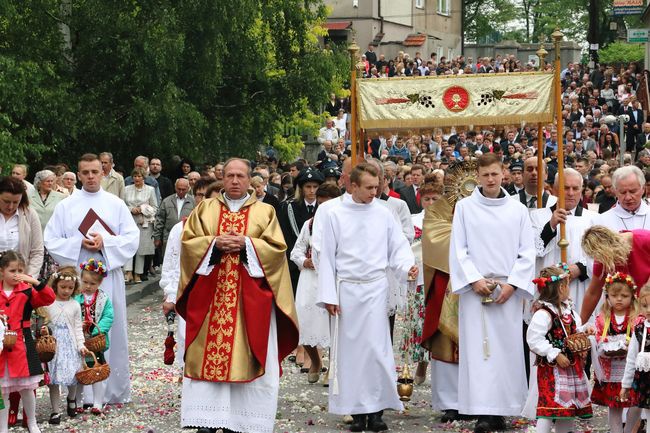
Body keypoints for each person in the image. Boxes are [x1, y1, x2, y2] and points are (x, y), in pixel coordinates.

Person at [176, 158, 298, 433]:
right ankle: (206, 422)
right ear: (223, 179)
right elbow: (188, 245)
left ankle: (241, 422)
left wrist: (247, 244)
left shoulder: (265, 212)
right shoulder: (205, 209)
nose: (234, 180)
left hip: (248, 301)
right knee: (206, 355)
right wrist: (213, 244)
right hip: (210, 299)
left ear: (249, 180)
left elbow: (278, 251)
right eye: (229, 175)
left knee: (247, 354)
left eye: (240, 176)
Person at [316, 163, 417, 432]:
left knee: (376, 351)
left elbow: (398, 247)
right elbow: (326, 257)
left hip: (374, 289)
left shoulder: (384, 214)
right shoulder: (335, 214)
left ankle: (376, 410)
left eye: (377, 187)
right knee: (351, 355)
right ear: (353, 186)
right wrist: (328, 294)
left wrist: (408, 267)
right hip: (346, 290)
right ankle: (356, 412)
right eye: (369, 188)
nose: (374, 193)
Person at [449, 153, 536, 433]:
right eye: (485, 175)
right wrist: (474, 280)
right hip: (476, 290)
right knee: (479, 351)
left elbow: (527, 252)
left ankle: (505, 407)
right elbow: (458, 248)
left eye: (495, 174)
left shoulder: (517, 210)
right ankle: (483, 411)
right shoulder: (464, 207)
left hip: (506, 291)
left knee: (507, 351)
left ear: (504, 174)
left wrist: (512, 284)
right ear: (478, 176)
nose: (490, 180)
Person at [43, 153, 139, 404]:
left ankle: (113, 389)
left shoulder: (115, 203)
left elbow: (131, 237)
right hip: (77, 280)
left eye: (95, 172)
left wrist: (104, 242)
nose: (90, 177)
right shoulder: (66, 206)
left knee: (110, 328)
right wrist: (79, 243)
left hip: (107, 277)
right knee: (78, 330)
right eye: (85, 172)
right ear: (78, 173)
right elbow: (51, 239)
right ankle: (81, 392)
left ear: (103, 172)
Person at [526, 264, 593, 433]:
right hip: (552, 370)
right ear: (561, 287)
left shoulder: (567, 310)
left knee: (567, 408)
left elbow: (574, 330)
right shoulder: (544, 313)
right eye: (567, 285)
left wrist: (585, 330)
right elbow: (533, 339)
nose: (568, 288)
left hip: (570, 367)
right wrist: (554, 354)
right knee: (548, 408)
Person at [160, 178, 217, 369]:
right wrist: (170, 295)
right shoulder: (181, 228)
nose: (204, 200)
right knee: (188, 339)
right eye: (200, 195)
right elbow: (171, 265)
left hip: (219, 294)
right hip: (190, 293)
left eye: (208, 196)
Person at [530, 168, 597, 321]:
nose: (571, 193)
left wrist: (579, 268)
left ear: (582, 190)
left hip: (579, 287)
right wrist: (551, 225)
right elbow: (533, 249)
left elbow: (601, 257)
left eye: (575, 188)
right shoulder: (537, 216)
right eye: (565, 188)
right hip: (547, 288)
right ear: (554, 190)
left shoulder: (593, 219)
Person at [0, 250, 55, 433]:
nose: (16, 274)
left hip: (21, 344)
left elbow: (49, 298)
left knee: (26, 388)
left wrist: (34, 282)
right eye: (12, 270)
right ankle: (2, 427)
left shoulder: (26, 290)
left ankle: (32, 422)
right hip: (1, 346)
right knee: (3, 391)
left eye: (20, 270)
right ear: (2, 271)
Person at [290, 183, 340, 384]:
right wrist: (304, 261)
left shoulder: (343, 223)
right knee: (306, 322)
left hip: (335, 279)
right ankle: (316, 360)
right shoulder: (309, 224)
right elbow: (296, 251)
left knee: (334, 325)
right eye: (320, 205)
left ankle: (334, 368)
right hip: (311, 280)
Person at [592, 272, 641, 433]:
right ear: (607, 296)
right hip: (611, 370)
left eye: (624, 295)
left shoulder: (635, 318)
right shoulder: (603, 317)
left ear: (632, 297)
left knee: (635, 403)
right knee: (614, 406)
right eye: (614, 295)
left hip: (630, 370)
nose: (619, 299)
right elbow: (599, 338)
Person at [42, 266, 87, 425]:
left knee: (73, 374)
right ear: (55, 285)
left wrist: (81, 344)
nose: (66, 290)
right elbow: (43, 322)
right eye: (63, 287)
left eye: (70, 288)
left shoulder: (74, 305)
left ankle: (71, 398)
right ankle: (55, 410)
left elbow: (77, 327)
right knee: (53, 378)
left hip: (70, 344)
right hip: (53, 346)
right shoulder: (49, 303)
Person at [580, 226, 650, 323]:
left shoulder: (645, 239)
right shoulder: (602, 258)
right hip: (636, 313)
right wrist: (579, 326)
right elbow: (593, 292)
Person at [73, 258, 114, 415]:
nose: (88, 286)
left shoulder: (104, 299)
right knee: (79, 373)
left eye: (92, 284)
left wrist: (97, 331)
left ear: (99, 283)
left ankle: (98, 402)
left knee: (97, 371)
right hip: (79, 342)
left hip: (95, 343)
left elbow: (108, 317)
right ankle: (77, 401)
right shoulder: (76, 297)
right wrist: (79, 325)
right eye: (85, 282)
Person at [278, 168, 324, 294]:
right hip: (295, 266)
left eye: (315, 186)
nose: (312, 190)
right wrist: (300, 262)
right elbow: (285, 236)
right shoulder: (288, 207)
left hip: (321, 266)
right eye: (308, 186)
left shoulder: (325, 207)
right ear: (301, 188)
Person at [0, 177, 43, 278]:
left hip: (19, 280)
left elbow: (37, 251)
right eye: (6, 201)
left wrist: (29, 277)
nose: (10, 206)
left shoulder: (30, 214)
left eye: (15, 202)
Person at [123, 167, 158, 284]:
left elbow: (155, 207)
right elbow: (121, 205)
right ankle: (128, 272)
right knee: (128, 245)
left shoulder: (150, 189)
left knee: (141, 249)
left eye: (139, 176)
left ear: (144, 177)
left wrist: (143, 209)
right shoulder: (126, 189)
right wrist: (131, 209)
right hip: (129, 220)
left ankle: (138, 273)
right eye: (135, 176)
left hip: (144, 223)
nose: (137, 178)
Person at [620, 281, 650, 415]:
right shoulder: (639, 329)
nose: (648, 310)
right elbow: (631, 358)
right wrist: (625, 385)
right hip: (646, 382)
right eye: (645, 306)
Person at [597, 166, 650, 230]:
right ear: (615, 191)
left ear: (643, 189)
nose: (628, 197)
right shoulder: (602, 221)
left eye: (633, 192)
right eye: (623, 192)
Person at [153, 178, 194, 254]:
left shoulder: (193, 202)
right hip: (168, 237)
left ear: (188, 189)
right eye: (179, 189)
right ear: (175, 188)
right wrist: (157, 237)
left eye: (183, 189)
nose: (181, 191)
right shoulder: (167, 201)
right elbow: (160, 220)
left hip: (186, 237)